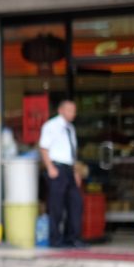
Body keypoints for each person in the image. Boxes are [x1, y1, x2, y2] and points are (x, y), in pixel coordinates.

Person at [39, 99, 86, 248]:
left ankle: (72, 238)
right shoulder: (51, 126)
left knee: (75, 203)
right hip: (57, 168)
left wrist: (76, 172)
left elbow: (72, 154)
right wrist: (50, 167)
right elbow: (43, 147)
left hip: (69, 169)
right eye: (70, 110)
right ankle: (55, 240)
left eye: (74, 110)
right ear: (61, 110)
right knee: (56, 206)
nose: (73, 113)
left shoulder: (70, 128)